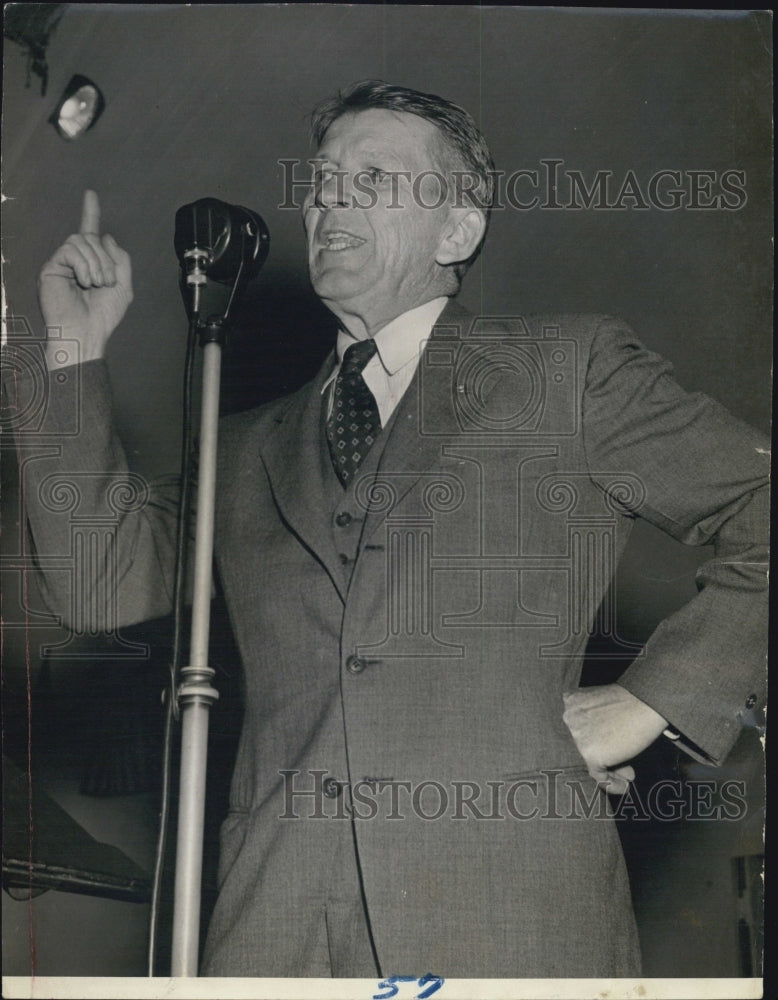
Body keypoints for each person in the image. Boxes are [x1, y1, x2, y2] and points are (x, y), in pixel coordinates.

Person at [12, 81, 768, 978]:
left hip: (505, 921)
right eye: (325, 178)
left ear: (458, 231)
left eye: (374, 177)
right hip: (276, 933)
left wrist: (651, 700)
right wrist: (70, 348)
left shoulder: (564, 372)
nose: (329, 195)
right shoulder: (245, 438)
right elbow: (100, 582)